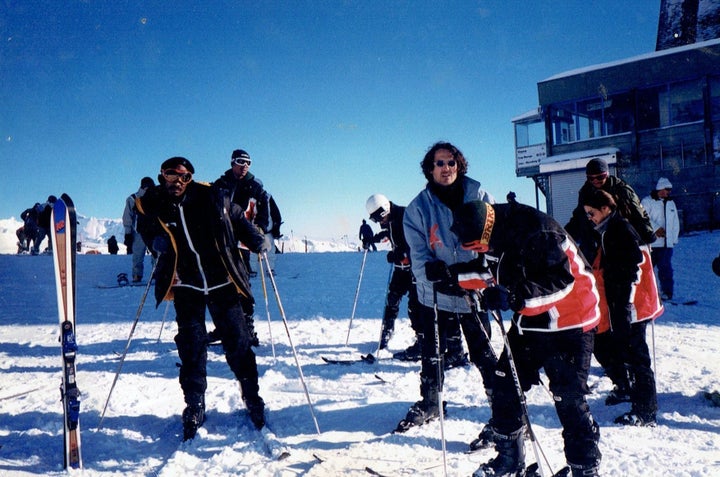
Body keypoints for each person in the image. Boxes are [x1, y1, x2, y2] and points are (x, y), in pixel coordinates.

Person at [451, 199, 602, 477]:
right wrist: (454, 278)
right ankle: (510, 459)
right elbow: (493, 272)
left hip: (570, 321)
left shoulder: (538, 232)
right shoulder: (497, 232)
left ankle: (585, 468)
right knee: (504, 383)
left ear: (485, 233)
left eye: (475, 247)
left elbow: (561, 282)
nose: (477, 252)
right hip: (530, 320)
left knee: (568, 398)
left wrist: (514, 297)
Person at [135, 156, 268, 440]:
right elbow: (143, 222)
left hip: (221, 280)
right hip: (187, 283)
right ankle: (195, 402)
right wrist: (154, 240)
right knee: (191, 345)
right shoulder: (155, 201)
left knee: (238, 341)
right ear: (162, 176)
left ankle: (251, 394)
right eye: (171, 176)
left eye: (183, 176)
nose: (177, 182)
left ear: (190, 177)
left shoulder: (210, 196)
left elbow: (236, 217)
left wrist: (255, 238)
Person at [397, 141, 498, 451]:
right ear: (430, 168)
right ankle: (430, 402)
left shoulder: (480, 196)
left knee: (482, 352)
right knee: (432, 352)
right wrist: (432, 271)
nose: (446, 168)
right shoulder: (418, 208)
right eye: (439, 163)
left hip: (472, 290)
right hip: (435, 295)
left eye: (451, 163)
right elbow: (418, 253)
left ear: (460, 165)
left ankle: (502, 411)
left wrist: (481, 271)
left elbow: (494, 238)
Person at [582, 188, 662, 427]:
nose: (589, 218)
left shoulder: (620, 229)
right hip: (624, 304)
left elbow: (634, 270)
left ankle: (646, 411)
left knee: (638, 356)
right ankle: (632, 393)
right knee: (624, 351)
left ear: (605, 209)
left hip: (634, 305)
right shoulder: (608, 229)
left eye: (591, 213)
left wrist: (625, 308)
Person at [365, 194, 422, 360]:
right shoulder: (388, 220)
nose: (378, 222)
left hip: (414, 270)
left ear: (385, 209)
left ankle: (421, 340)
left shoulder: (407, 215)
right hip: (400, 269)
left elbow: (418, 241)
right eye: (374, 220)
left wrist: (402, 254)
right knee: (391, 300)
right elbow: (387, 233)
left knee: (415, 306)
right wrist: (372, 239)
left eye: (378, 218)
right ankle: (387, 331)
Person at [565, 158, 655, 264]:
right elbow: (578, 217)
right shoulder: (586, 192)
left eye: (600, 177)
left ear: (607, 174)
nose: (595, 181)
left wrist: (647, 237)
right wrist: (565, 235)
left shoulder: (621, 190)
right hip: (594, 241)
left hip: (618, 239)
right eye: (591, 178)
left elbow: (638, 213)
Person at [214, 149, 272, 277]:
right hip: (223, 236)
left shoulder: (255, 188)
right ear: (233, 163)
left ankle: (243, 295)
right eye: (241, 162)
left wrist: (260, 227)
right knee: (222, 274)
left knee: (241, 274)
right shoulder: (221, 184)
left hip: (244, 236)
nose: (245, 165)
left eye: (248, 163)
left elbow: (263, 210)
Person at [641, 177, 680, 301]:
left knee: (666, 270)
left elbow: (675, 223)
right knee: (646, 270)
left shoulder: (671, 203)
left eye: (670, 190)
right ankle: (645, 294)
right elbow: (642, 217)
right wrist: (656, 228)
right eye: (667, 189)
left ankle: (667, 293)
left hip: (666, 245)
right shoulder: (647, 201)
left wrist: (673, 239)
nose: (669, 192)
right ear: (660, 189)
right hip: (651, 244)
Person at [123, 177, 155, 282]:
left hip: (150, 232)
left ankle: (153, 275)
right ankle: (139, 276)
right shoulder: (133, 199)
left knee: (155, 255)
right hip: (141, 232)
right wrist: (128, 233)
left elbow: (127, 217)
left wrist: (128, 233)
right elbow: (127, 216)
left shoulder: (157, 197)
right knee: (140, 256)